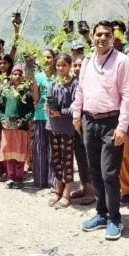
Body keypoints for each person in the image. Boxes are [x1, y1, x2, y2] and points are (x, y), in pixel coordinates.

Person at [72, 20, 129, 240]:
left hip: (112, 122)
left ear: (113, 37)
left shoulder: (122, 61)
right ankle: (101, 213)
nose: (102, 38)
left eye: (107, 35)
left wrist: (122, 126)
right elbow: (80, 89)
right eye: (98, 34)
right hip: (89, 121)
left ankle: (114, 218)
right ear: (92, 36)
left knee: (109, 173)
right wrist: (76, 114)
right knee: (95, 171)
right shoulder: (89, 61)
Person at [46, 54, 78, 209]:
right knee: (55, 158)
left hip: (67, 128)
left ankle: (67, 192)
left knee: (67, 159)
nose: (60, 68)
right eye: (58, 65)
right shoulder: (54, 83)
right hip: (53, 126)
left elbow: (75, 106)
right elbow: (48, 99)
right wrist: (49, 109)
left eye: (63, 65)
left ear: (69, 65)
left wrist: (62, 112)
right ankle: (58, 187)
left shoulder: (74, 84)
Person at [0, 65, 34, 189]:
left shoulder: (26, 92)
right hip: (7, 128)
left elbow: (30, 110)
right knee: (9, 153)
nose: (17, 76)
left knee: (19, 153)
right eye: (15, 74)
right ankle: (10, 177)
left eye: (19, 74)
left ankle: (19, 178)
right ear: (10, 76)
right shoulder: (6, 92)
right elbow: (0, 108)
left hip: (20, 128)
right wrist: (2, 119)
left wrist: (23, 121)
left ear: (23, 76)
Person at [69, 55, 94, 205]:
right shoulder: (71, 82)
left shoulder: (90, 81)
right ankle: (83, 186)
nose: (78, 68)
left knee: (88, 156)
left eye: (80, 65)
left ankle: (92, 189)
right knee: (79, 156)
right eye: (75, 65)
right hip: (74, 124)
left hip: (87, 122)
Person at [33, 49, 57, 189]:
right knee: (40, 148)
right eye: (44, 57)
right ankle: (40, 180)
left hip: (54, 117)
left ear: (54, 59)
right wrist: (33, 83)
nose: (46, 60)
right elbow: (35, 98)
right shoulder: (38, 77)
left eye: (49, 57)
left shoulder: (58, 76)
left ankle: (53, 181)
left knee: (54, 149)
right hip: (40, 116)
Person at [0, 54, 14, 180]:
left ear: (9, 64)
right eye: (0, 63)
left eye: (5, 63)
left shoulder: (13, 78)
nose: (2, 65)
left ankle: (11, 170)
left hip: (10, 115)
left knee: (8, 142)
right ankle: (1, 170)